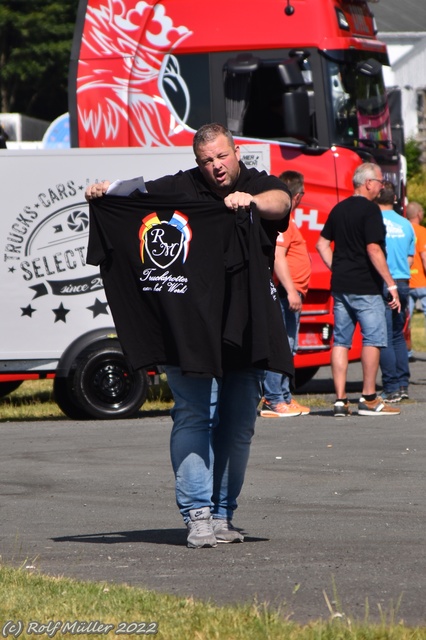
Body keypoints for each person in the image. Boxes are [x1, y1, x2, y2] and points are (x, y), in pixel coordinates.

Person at [85, 123, 292, 548]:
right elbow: (135, 197)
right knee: (195, 414)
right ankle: (197, 513)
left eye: (221, 156)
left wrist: (249, 200)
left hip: (247, 321)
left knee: (237, 424)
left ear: (237, 152)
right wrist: (106, 194)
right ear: (197, 163)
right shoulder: (182, 187)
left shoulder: (258, 185)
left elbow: (280, 201)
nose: (215, 167)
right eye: (206, 161)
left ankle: (222, 513)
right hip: (189, 327)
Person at [315, 162, 401, 417]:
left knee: (341, 341)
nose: (382, 186)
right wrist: (391, 284)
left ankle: (340, 400)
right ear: (368, 183)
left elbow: (321, 244)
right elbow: (373, 249)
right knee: (373, 339)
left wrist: (337, 268)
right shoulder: (371, 211)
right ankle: (369, 398)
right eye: (380, 181)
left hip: (341, 286)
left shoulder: (338, 209)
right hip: (366, 287)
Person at [260, 170, 311, 418]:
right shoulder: (284, 220)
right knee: (281, 347)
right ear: (298, 196)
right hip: (283, 293)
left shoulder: (286, 219)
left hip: (288, 293)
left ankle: (284, 397)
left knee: (288, 347)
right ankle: (274, 399)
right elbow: (279, 257)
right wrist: (291, 290)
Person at [375, 181, 414, 402]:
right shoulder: (406, 224)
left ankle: (390, 386)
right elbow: (410, 257)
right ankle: (403, 384)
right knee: (398, 334)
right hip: (402, 280)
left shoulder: (374, 220)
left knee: (384, 335)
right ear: (395, 200)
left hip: (383, 281)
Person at [406, 201, 426, 360]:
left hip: (406, 282)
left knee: (406, 320)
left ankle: (406, 351)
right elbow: (424, 257)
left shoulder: (403, 229)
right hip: (422, 282)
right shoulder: (422, 231)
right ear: (419, 214)